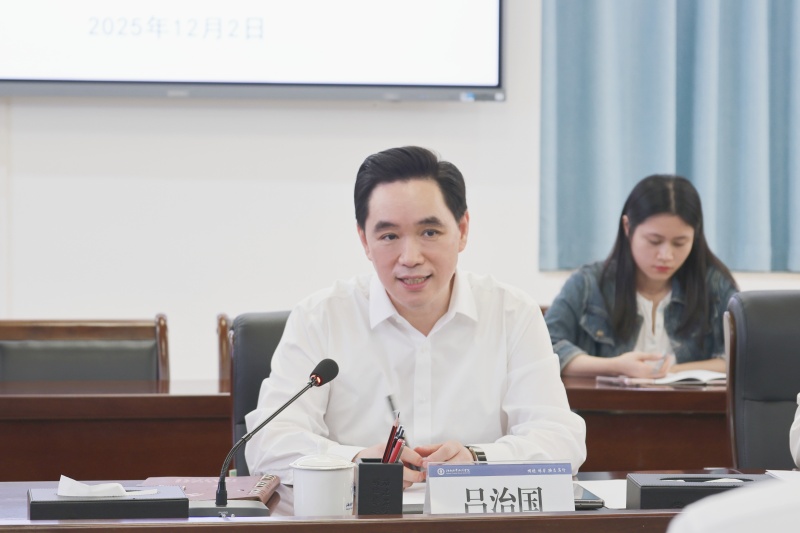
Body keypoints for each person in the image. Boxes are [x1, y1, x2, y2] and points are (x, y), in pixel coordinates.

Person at [245, 146, 586, 486]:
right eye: (389, 236)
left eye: (429, 233)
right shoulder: (320, 318)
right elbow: (267, 444)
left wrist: (476, 459)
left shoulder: (512, 314)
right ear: (364, 240)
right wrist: (354, 461)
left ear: (462, 230)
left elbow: (561, 440)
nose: (410, 257)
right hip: (360, 513)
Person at [545, 175, 738, 378]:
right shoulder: (588, 284)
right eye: (654, 241)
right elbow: (546, 349)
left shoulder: (715, 286)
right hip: (605, 400)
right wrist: (615, 366)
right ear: (627, 227)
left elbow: (741, 355)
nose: (666, 255)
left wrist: (671, 371)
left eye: (679, 243)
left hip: (689, 400)